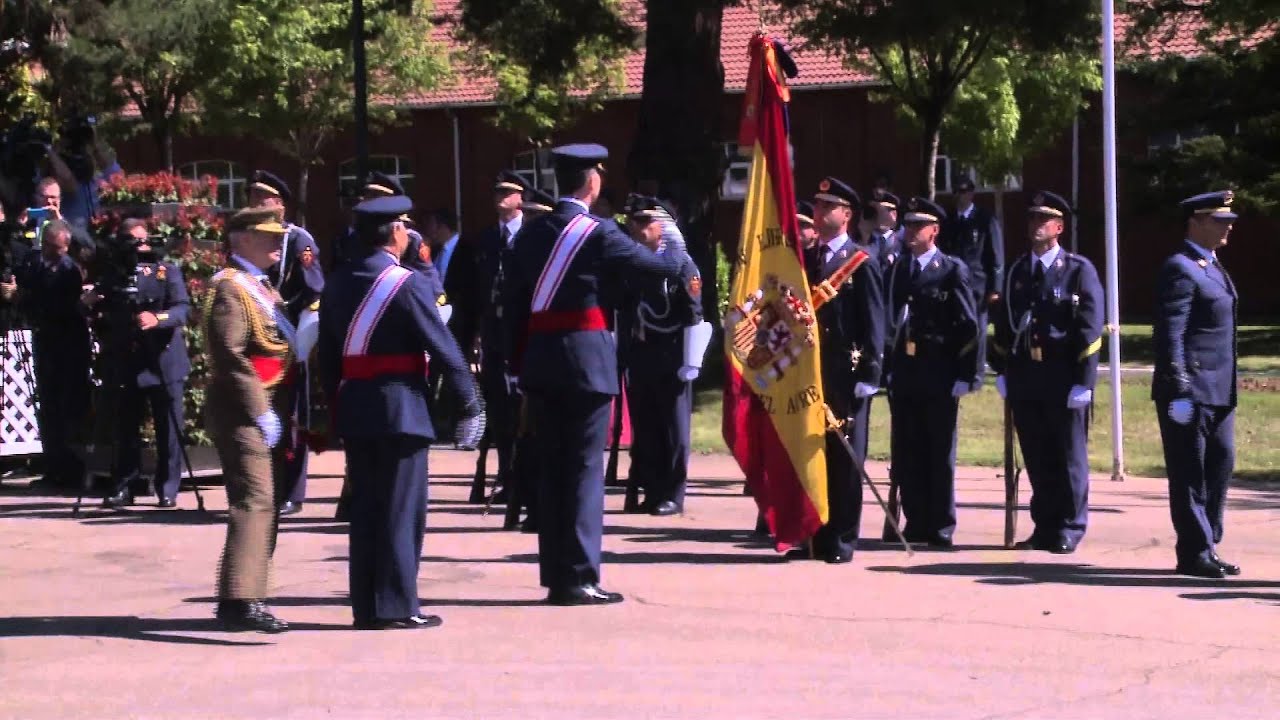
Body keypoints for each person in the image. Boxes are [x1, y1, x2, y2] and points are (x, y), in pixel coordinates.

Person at [502, 143, 683, 604]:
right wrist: (670, 232)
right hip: (586, 362)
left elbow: (513, 306)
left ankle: (556, 576)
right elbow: (663, 267)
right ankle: (580, 576)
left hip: (541, 360)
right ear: (593, 181)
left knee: (552, 472)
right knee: (583, 472)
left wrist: (516, 364)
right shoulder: (602, 233)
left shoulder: (531, 235)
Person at [317, 195, 484, 630]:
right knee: (401, 510)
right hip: (402, 407)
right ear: (396, 231)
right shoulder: (406, 283)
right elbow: (443, 347)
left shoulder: (337, 281)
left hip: (356, 404)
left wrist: (337, 401)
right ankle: (396, 605)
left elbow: (328, 357)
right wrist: (470, 402)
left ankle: (367, 606)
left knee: (366, 511)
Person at [990, 191, 1103, 555]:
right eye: (1032, 218)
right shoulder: (1018, 270)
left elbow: (1090, 328)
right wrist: (1002, 369)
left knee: (1068, 456)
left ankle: (1069, 525)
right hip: (1026, 377)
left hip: (1062, 377)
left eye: (1044, 219)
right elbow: (1004, 324)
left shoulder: (1078, 270)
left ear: (1059, 227)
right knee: (1037, 456)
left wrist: (1084, 381)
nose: (1036, 225)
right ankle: (1045, 524)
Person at [203, 206, 296, 633]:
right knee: (254, 501)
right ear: (241, 239)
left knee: (264, 503)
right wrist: (259, 409)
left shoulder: (261, 286)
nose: (277, 242)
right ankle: (241, 602)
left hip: (267, 406)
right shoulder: (230, 287)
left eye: (279, 235)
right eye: (266, 235)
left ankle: (244, 596)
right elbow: (230, 354)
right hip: (242, 410)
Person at [1152, 191, 1242, 579]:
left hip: (1219, 389)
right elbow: (1171, 333)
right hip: (1189, 390)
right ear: (1195, 222)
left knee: (1220, 464)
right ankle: (1194, 551)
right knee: (1189, 471)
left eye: (1229, 221)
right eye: (1219, 221)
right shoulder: (1181, 267)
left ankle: (1209, 542)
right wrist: (1180, 385)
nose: (1228, 227)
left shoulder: (1211, 266)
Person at [884, 197, 978, 547]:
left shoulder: (951, 269)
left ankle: (940, 524)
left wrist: (965, 375)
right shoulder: (898, 268)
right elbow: (889, 321)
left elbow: (968, 325)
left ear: (934, 231)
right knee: (908, 450)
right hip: (906, 372)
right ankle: (915, 520)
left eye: (918, 226)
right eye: (908, 225)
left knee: (938, 452)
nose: (911, 231)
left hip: (939, 373)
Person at [800, 176, 884, 563]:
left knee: (845, 460)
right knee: (813, 453)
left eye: (827, 207)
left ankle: (843, 539)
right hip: (811, 372)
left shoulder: (860, 261)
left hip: (846, 374)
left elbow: (875, 321)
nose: (818, 213)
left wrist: (870, 373)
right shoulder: (808, 259)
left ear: (846, 215)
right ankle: (815, 535)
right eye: (817, 206)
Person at [619, 196, 704, 516]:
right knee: (646, 426)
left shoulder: (682, 265)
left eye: (645, 221)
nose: (637, 228)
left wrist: (691, 360)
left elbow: (693, 314)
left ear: (663, 226)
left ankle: (673, 493)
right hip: (642, 353)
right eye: (634, 222)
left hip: (672, 355)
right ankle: (652, 489)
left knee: (673, 427)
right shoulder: (635, 264)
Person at [100, 219, 192, 509]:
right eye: (132, 240)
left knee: (169, 429)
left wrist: (157, 319)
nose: (139, 246)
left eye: (143, 240)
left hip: (163, 359)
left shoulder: (166, 270)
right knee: (126, 428)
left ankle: (167, 488)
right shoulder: (114, 273)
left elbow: (182, 309)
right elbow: (105, 310)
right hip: (129, 359)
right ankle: (125, 485)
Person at [247, 170, 323, 516]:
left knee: (290, 417)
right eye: (251, 198)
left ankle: (291, 491)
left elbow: (314, 290)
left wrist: (297, 328)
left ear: (278, 204)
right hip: (255, 339)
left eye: (260, 199)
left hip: (287, 338)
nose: (254, 204)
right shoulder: (246, 237)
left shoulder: (298, 239)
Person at [15, 219, 91, 489]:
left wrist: (32, 300)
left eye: (58, 248)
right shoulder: (35, 264)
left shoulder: (69, 271)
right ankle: (52, 465)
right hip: (45, 343)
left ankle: (70, 469)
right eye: (49, 246)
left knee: (67, 407)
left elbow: (61, 307)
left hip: (68, 347)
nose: (52, 252)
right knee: (47, 406)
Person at [473, 171, 530, 509]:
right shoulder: (486, 239)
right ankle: (506, 475)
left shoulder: (531, 236)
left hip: (521, 334)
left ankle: (524, 479)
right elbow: (476, 291)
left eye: (508, 192)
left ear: (521, 198)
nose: (500, 197)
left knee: (522, 408)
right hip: (493, 335)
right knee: (498, 410)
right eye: (497, 192)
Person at [939, 177, 1004, 389]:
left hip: (977, 285)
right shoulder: (948, 220)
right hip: (953, 285)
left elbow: (996, 255)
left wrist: (995, 287)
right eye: (957, 192)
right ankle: (958, 371)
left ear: (972, 194)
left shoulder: (985, 219)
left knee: (978, 330)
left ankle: (976, 375)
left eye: (964, 192)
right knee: (956, 328)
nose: (961, 196)